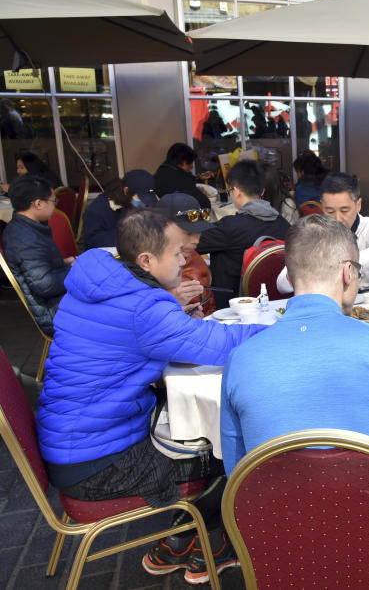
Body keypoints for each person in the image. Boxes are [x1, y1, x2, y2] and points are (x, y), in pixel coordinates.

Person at [36, 209, 265, 584]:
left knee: (197, 426)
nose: (186, 260)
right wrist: (290, 329)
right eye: (178, 253)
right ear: (146, 260)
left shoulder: (96, 277)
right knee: (232, 449)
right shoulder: (146, 307)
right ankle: (207, 542)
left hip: (70, 442)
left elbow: (125, 336)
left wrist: (171, 316)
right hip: (100, 466)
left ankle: (181, 542)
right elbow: (222, 343)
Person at [220, 214, 369, 477]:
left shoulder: (239, 359)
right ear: (349, 273)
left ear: (289, 279)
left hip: (275, 515)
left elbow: (237, 472)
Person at [196, 160, 291, 308]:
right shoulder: (284, 225)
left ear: (236, 191)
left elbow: (193, 243)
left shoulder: (230, 227)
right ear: (263, 191)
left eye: (230, 192)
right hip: (278, 305)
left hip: (233, 307)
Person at [277, 172, 369, 293]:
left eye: (344, 210)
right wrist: (310, 267)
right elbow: (282, 285)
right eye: (330, 211)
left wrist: (341, 262)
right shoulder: (312, 233)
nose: (337, 219)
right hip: (327, 306)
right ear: (322, 206)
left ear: (358, 205)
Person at [1, 175, 71, 335]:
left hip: (58, 302)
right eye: (54, 201)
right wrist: (77, 270)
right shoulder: (24, 238)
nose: (55, 206)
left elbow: (38, 268)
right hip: (53, 312)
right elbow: (45, 285)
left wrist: (64, 262)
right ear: (38, 203)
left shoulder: (27, 229)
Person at [155, 193, 218, 318]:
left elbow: (210, 309)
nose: (196, 240)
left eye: (199, 232)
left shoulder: (195, 257)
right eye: (188, 233)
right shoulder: (146, 267)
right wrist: (172, 302)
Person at [81, 170, 158, 249]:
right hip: (106, 255)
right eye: (140, 197)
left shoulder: (134, 202)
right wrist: (128, 234)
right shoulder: (98, 209)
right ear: (126, 191)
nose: (143, 203)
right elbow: (91, 241)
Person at [153, 143, 213, 210]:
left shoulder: (161, 172)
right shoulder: (181, 178)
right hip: (179, 217)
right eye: (190, 163)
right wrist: (202, 194)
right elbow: (205, 205)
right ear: (184, 162)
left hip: (161, 214)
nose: (191, 167)